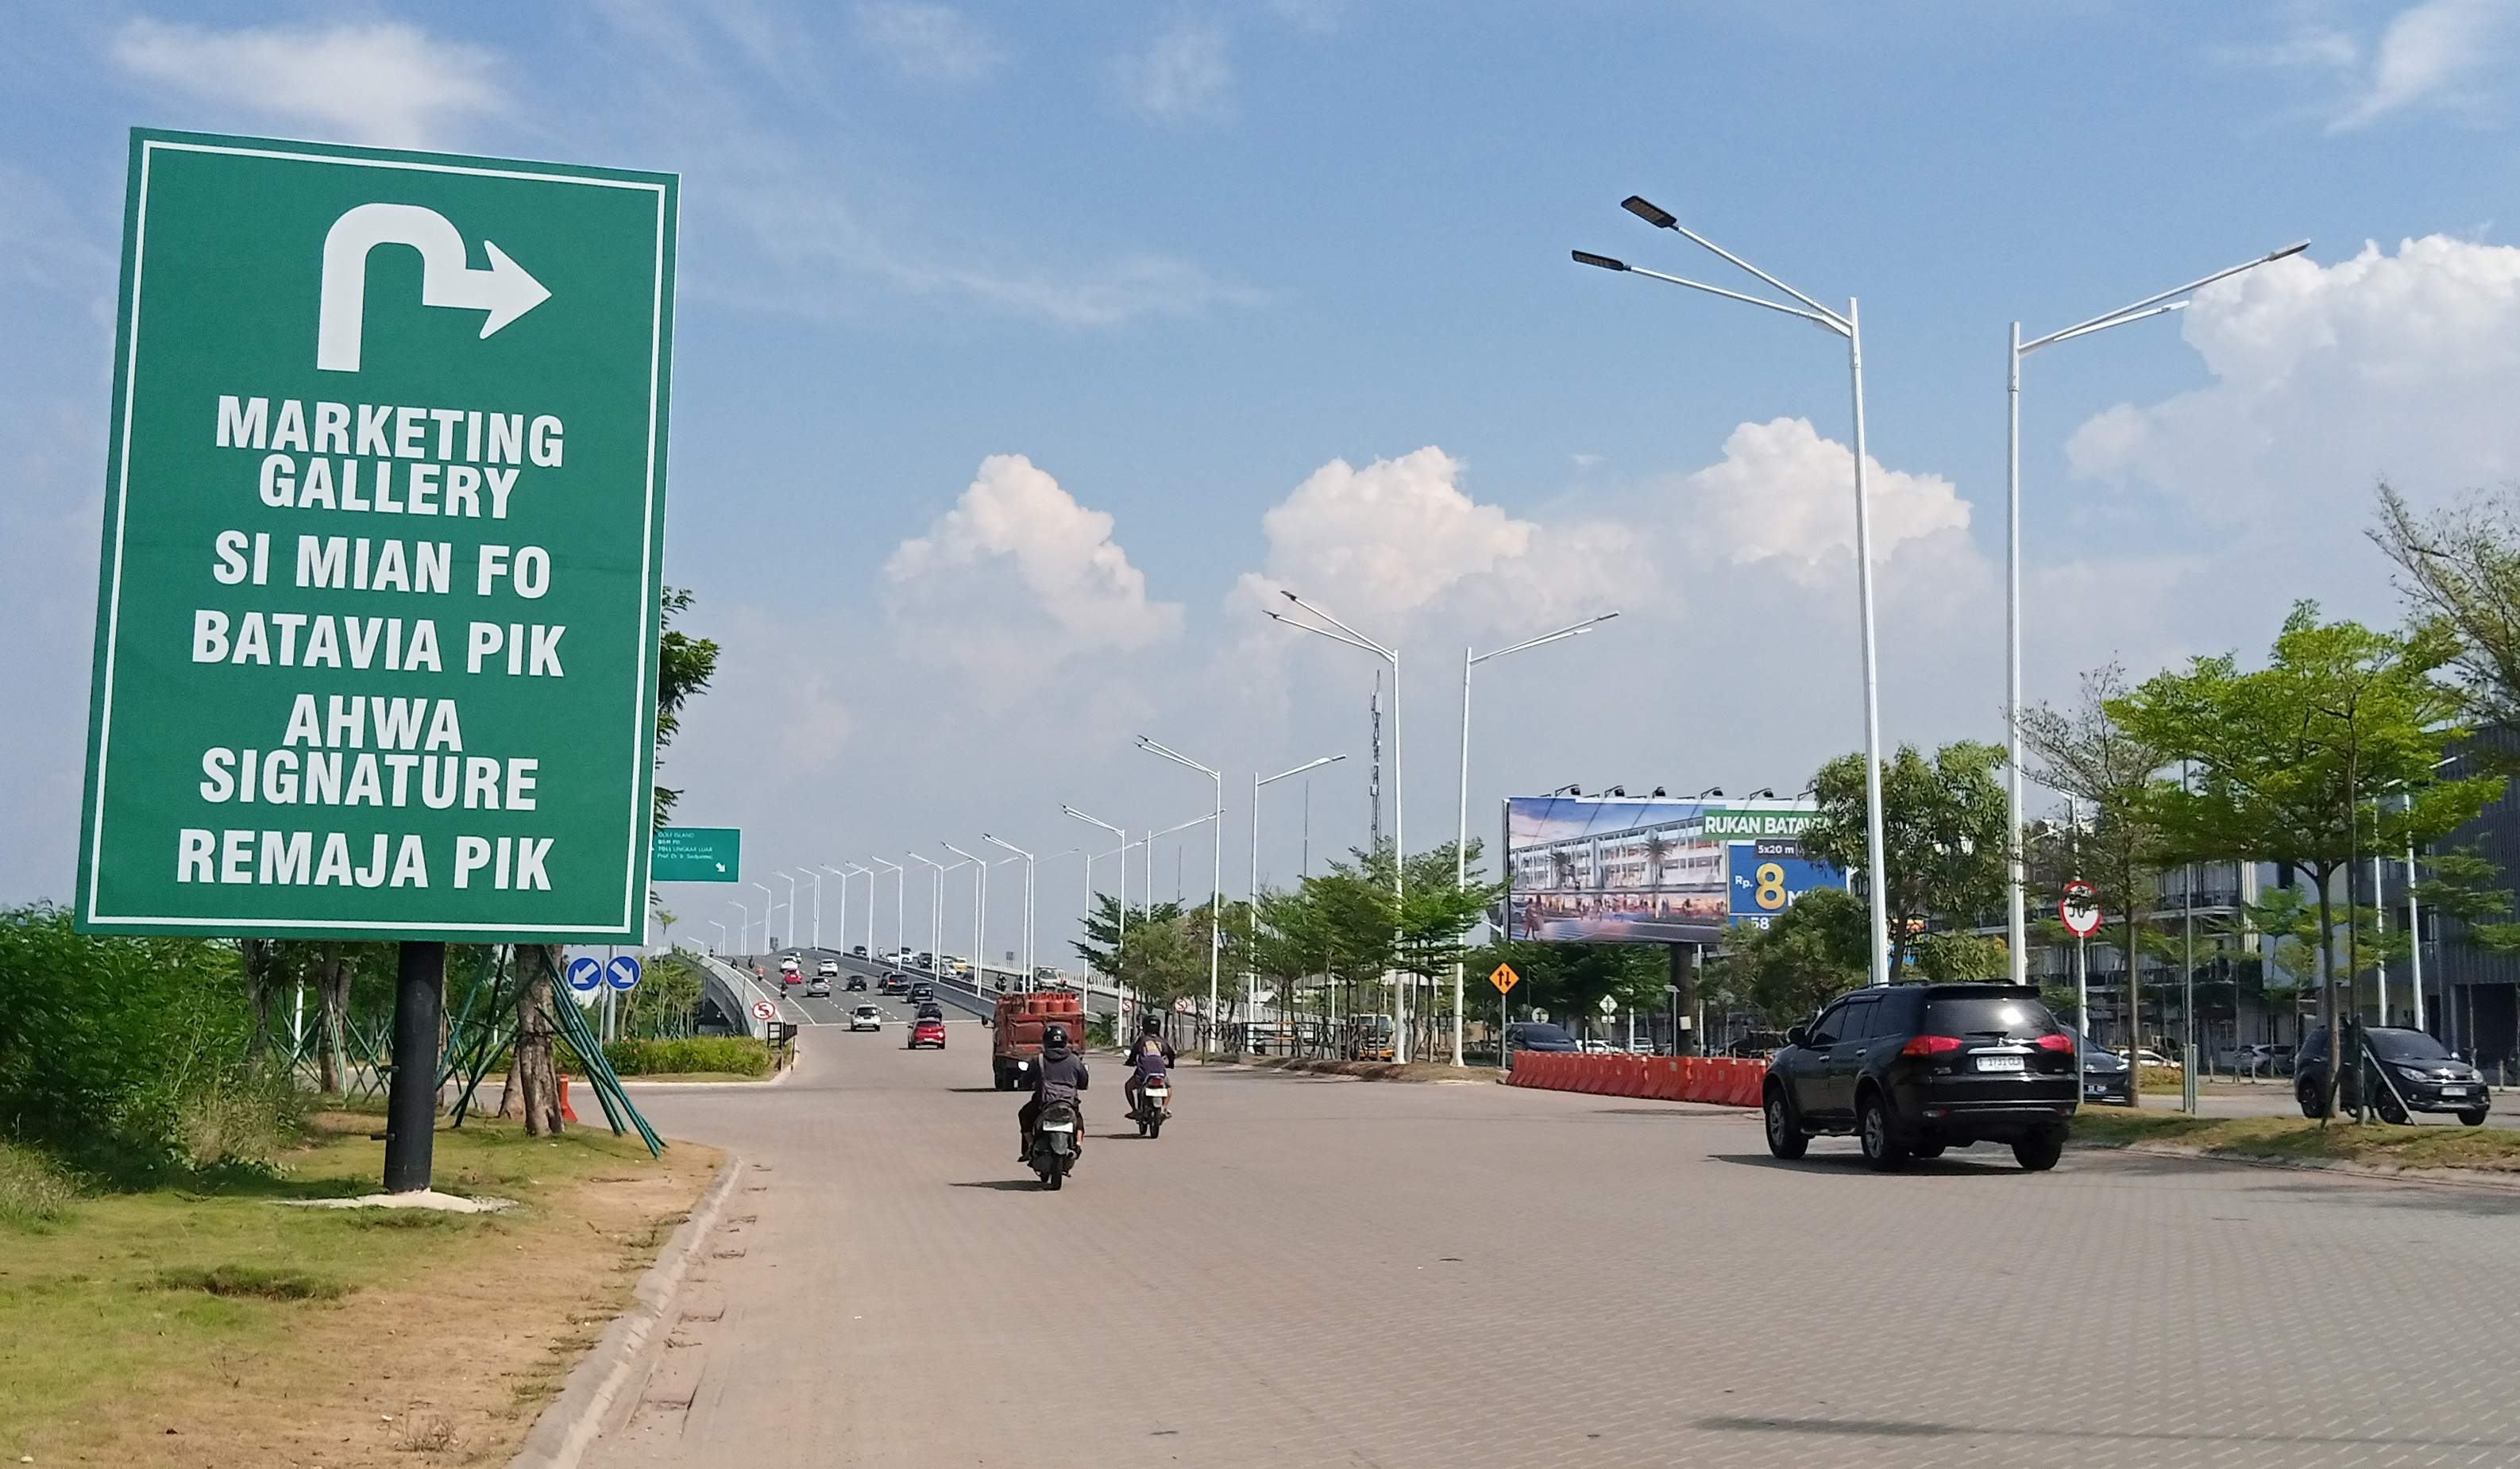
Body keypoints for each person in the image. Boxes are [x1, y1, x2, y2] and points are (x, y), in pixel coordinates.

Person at [1017, 1023, 1090, 1162]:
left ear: (1045, 1041)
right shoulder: (1075, 1060)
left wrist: (1025, 1084)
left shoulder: (1038, 1060)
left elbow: (1025, 1081)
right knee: (1078, 1120)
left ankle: (1030, 1145)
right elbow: (1084, 1082)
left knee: (1024, 1115)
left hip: (1043, 1103)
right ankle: (1078, 1144)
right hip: (1069, 1103)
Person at [1122, 1016, 1177, 1120]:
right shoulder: (1162, 1041)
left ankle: (1134, 1110)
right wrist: (1171, 1064)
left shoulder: (1142, 1040)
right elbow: (1171, 1054)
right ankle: (1164, 1108)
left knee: (1128, 1087)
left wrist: (1129, 1062)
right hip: (1160, 1071)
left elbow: (1133, 1053)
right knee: (1168, 1086)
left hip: (1144, 1072)